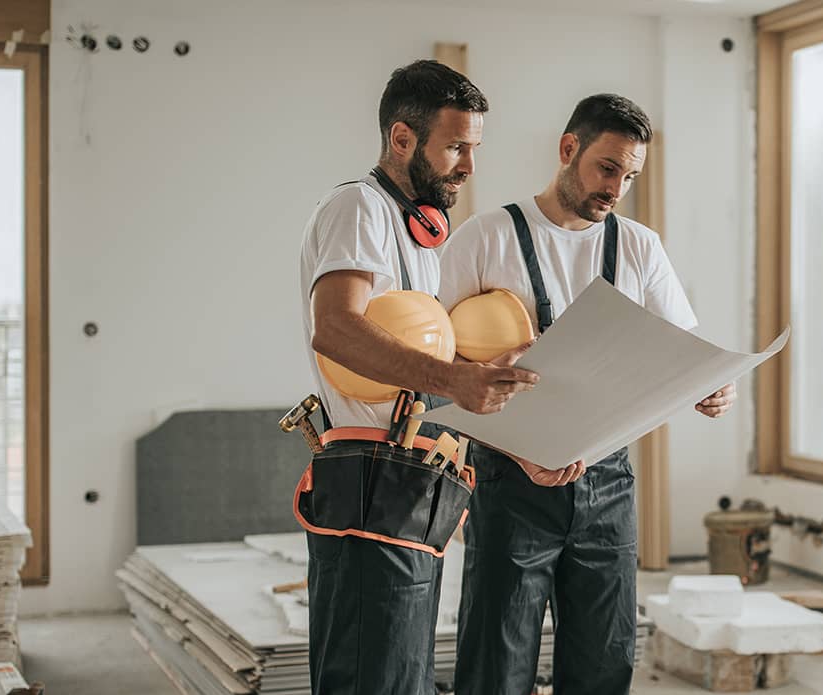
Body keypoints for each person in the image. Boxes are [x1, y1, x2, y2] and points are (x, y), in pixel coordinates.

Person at [439, 93, 736, 695]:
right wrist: (523, 449)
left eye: (629, 176)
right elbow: (436, 370)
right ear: (568, 149)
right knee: (496, 665)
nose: (616, 188)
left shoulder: (639, 246)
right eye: (607, 168)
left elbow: (684, 348)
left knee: (604, 662)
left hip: (608, 484)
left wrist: (712, 385)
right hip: (511, 482)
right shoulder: (484, 237)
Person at [296, 59, 536, 695]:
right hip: (369, 477)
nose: (469, 166)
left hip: (412, 477)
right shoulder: (359, 208)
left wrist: (472, 375)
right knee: (369, 678)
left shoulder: (419, 238)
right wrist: (456, 382)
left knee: (401, 673)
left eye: (474, 148)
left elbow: (415, 355)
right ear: (402, 139)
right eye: (456, 146)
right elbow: (337, 330)